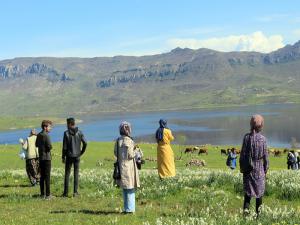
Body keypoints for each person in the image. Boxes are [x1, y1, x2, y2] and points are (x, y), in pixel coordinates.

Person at [239, 114, 269, 216]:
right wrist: (265, 170)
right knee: (259, 194)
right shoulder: (263, 139)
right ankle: (259, 217)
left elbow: (242, 155)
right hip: (259, 169)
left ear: (251, 124)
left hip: (248, 169)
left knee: (247, 194)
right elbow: (266, 158)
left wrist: (242, 168)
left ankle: (245, 216)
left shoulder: (246, 138)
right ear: (261, 125)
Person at [114, 121, 140, 214]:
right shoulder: (129, 141)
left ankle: (126, 208)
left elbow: (115, 153)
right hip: (129, 167)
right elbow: (130, 155)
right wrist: (136, 151)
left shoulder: (118, 140)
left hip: (121, 166)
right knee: (130, 188)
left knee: (125, 189)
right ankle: (130, 209)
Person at [62, 118, 87, 197]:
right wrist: (81, 152)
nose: (66, 125)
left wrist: (63, 156)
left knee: (67, 174)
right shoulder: (80, 132)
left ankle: (66, 193)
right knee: (76, 174)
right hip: (77, 156)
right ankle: (75, 192)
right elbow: (85, 143)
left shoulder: (66, 133)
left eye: (67, 124)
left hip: (69, 156)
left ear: (69, 124)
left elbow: (64, 147)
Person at [35, 120, 53, 200]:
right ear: (45, 127)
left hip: (41, 158)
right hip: (47, 158)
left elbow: (36, 144)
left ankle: (42, 194)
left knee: (42, 177)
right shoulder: (47, 135)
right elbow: (49, 146)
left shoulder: (38, 135)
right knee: (47, 177)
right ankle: (48, 195)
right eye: (49, 127)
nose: (50, 128)